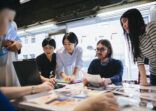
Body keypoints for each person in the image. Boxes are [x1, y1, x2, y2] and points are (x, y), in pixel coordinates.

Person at [120, 8, 156, 86]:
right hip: (154, 73)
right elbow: (139, 61)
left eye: (125, 21)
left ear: (134, 19)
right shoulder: (136, 39)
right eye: (122, 24)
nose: (124, 25)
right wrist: (143, 82)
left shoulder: (151, 27)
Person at [0, 3, 22, 86]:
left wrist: (18, 45)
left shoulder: (13, 24)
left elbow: (17, 41)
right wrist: (3, 43)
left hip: (12, 66)